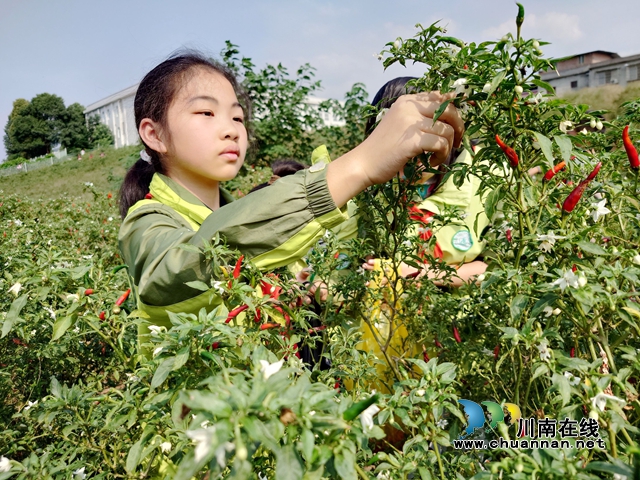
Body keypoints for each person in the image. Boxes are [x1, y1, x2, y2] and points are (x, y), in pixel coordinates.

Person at [117, 51, 464, 351]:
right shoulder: (147, 223)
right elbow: (186, 262)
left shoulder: (242, 213)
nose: (231, 129)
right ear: (155, 134)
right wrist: (361, 163)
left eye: (237, 117)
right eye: (206, 113)